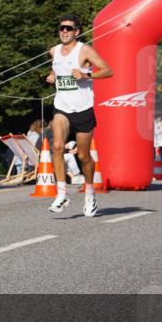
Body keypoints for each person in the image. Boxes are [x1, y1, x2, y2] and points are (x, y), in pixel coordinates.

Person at [45, 15, 113, 216]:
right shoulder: (54, 51)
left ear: (77, 32)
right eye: (61, 28)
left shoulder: (84, 50)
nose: (64, 31)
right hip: (62, 108)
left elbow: (108, 71)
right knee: (57, 146)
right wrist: (52, 76)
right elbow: (57, 69)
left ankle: (90, 193)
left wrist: (86, 75)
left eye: (68, 28)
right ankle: (61, 194)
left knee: (83, 156)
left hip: (83, 109)